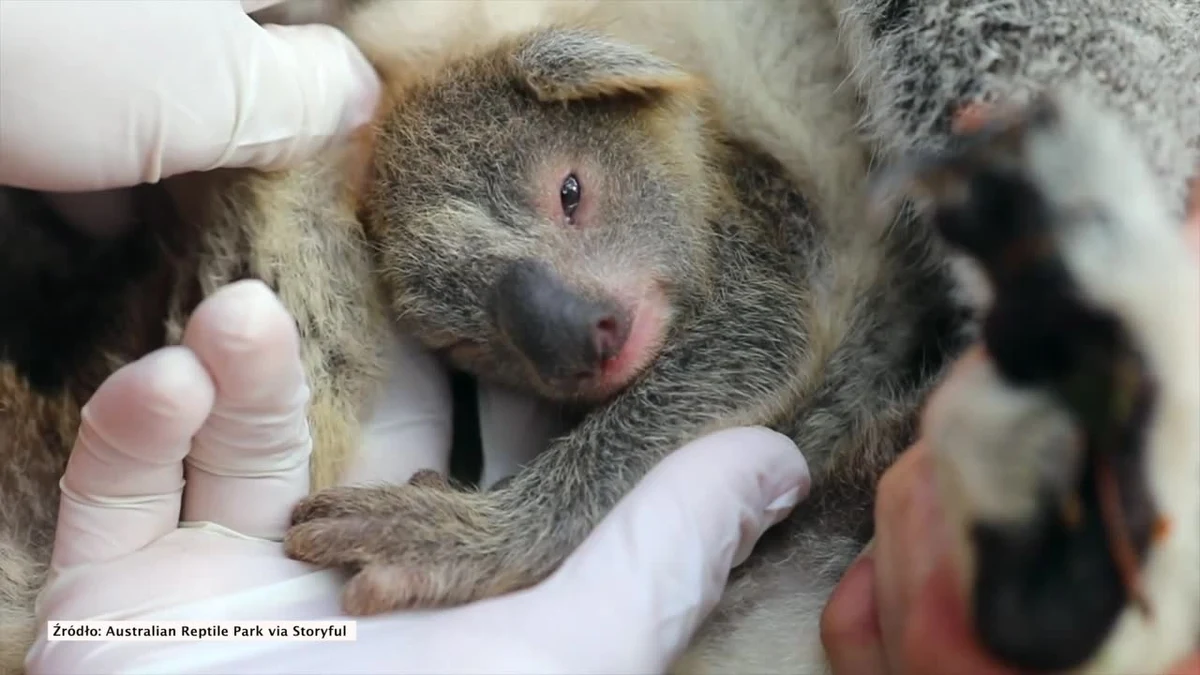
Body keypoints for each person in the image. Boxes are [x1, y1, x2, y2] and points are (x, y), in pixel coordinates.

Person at [4, 1, 1197, 673]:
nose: (567, 332)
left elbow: (766, 322)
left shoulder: (693, 176)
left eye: (571, 202)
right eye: (485, 334)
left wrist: (524, 523)